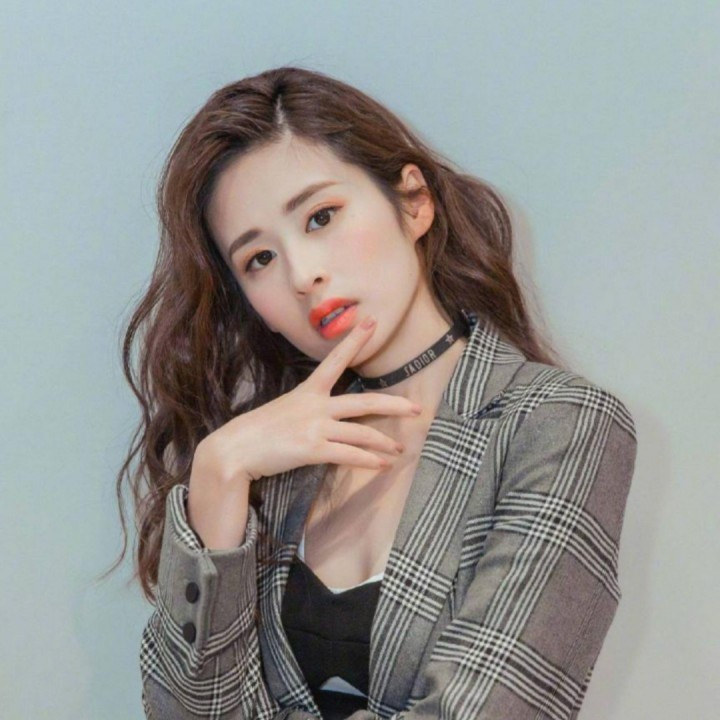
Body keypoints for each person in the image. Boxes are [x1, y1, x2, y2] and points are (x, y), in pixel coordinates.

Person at [114, 66, 638, 719]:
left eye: (321, 217)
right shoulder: (264, 461)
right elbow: (184, 711)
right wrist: (218, 475)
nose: (303, 274)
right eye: (259, 259)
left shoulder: (560, 424)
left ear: (413, 202)